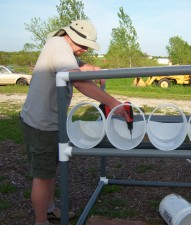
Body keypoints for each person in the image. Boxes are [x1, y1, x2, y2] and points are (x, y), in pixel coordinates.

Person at [20, 20, 127, 225]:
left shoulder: (61, 46)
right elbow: (76, 79)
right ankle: (40, 221)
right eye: (84, 45)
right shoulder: (59, 47)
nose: (85, 50)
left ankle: (50, 210)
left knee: (49, 170)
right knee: (42, 175)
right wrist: (114, 103)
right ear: (72, 37)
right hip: (41, 123)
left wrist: (96, 70)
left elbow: (80, 67)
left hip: (49, 121)